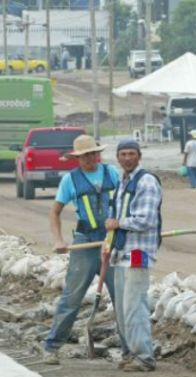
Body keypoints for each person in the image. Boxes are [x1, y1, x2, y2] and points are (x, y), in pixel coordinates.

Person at [43, 135, 121, 364]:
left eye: (93, 154)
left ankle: (131, 350)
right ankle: (51, 347)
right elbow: (54, 212)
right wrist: (58, 240)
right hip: (85, 241)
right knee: (72, 297)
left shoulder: (111, 173)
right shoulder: (70, 180)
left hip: (111, 241)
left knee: (121, 296)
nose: (90, 159)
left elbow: (125, 201)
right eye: (85, 156)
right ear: (77, 158)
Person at [104, 139, 163, 372]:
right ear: (117, 158)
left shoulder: (146, 181)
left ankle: (144, 357)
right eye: (123, 154)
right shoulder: (122, 182)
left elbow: (146, 219)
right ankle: (130, 351)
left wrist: (119, 223)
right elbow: (115, 216)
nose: (127, 158)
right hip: (121, 252)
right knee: (121, 306)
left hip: (138, 252)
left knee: (134, 304)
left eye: (131, 154)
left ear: (139, 156)